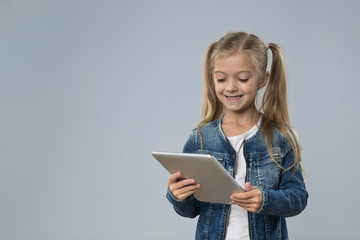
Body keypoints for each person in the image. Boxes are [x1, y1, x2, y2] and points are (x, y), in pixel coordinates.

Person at [166, 32, 308, 240]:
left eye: (242, 78)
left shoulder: (281, 137)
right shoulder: (201, 139)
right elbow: (190, 210)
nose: (231, 87)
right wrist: (177, 196)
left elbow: (298, 198)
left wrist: (265, 199)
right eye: (221, 79)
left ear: (262, 79)